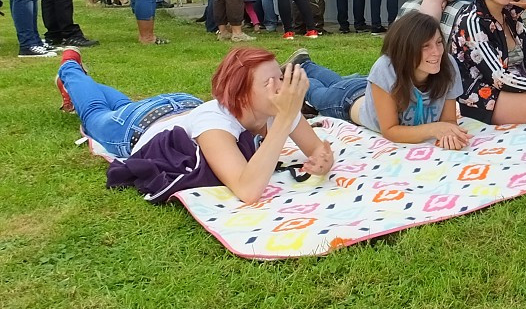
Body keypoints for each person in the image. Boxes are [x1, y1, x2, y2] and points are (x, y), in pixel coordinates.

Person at [56, 46, 334, 205]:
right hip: (136, 126)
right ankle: (69, 68)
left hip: (182, 104)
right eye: (269, 83)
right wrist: (285, 121)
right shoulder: (215, 123)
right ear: (242, 96)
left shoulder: (275, 106)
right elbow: (248, 190)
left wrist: (323, 161)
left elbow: (318, 150)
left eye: (281, 77)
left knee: (117, 102)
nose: (282, 87)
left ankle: (86, 81)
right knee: (95, 112)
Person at [288, 11, 469, 149]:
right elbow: (390, 130)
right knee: (317, 94)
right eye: (425, 46)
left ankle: (304, 63)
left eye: (438, 42)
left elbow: (448, 121)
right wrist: (433, 129)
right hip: (348, 102)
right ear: (406, 49)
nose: (437, 52)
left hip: (368, 89)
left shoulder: (448, 65)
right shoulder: (387, 68)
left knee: (336, 83)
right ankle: (294, 72)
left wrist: (449, 134)